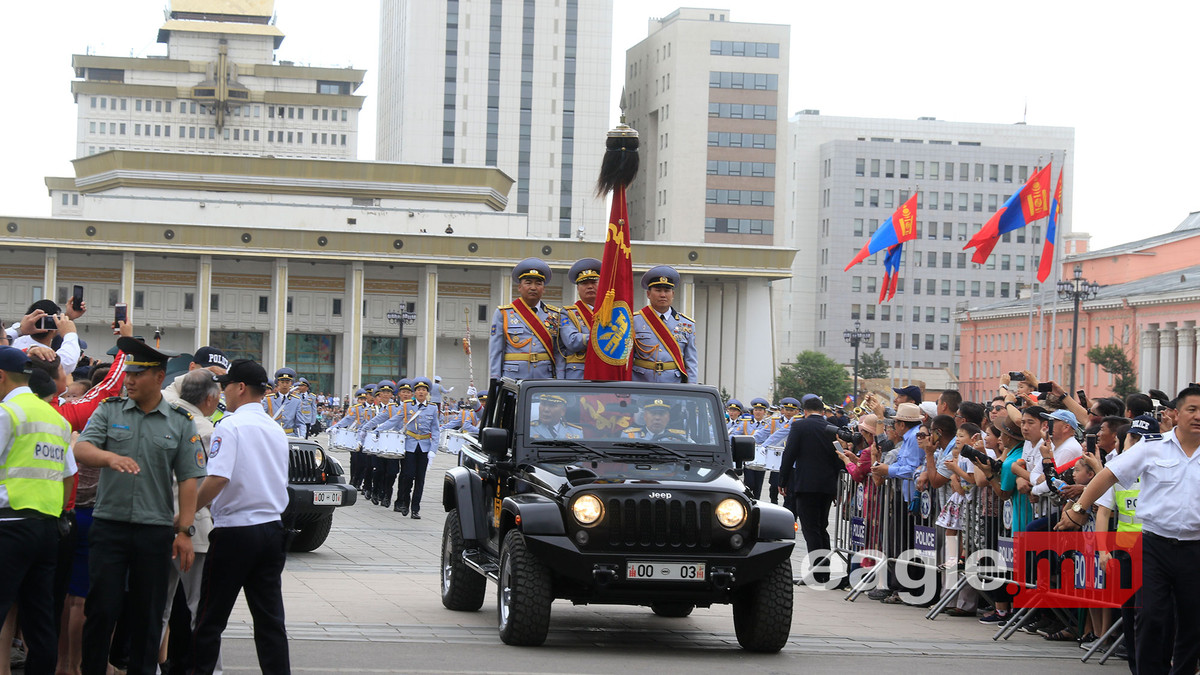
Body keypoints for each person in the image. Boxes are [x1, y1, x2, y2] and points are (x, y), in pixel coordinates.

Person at [73, 337, 206, 675]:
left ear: (159, 377)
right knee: (102, 609)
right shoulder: (110, 410)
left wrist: (184, 531)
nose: (129, 380)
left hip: (154, 531)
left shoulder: (179, 421)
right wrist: (109, 457)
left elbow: (190, 479)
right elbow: (82, 449)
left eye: (138, 374)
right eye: (128, 373)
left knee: (148, 614)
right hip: (109, 527)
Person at [1057, 385, 1200, 675]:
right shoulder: (1152, 447)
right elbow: (1108, 475)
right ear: (1175, 413)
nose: (1198, 416)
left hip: (1195, 549)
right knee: (1150, 616)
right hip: (1153, 546)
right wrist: (1078, 510)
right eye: (1192, 409)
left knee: (1192, 621)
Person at [190, 359, 289, 675]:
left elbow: (218, 479)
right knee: (270, 621)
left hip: (235, 532)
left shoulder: (229, 426)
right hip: (272, 529)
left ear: (241, 388)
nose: (223, 392)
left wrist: (187, 510)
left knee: (209, 619)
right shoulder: (275, 428)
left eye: (226, 386)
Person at [0, 346, 75, 675]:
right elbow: (69, 475)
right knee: (40, 620)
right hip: (46, 529)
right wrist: (57, 511)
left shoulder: (8, 412)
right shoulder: (55, 418)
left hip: (8, 524)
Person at [158, 369, 221, 674]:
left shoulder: (167, 416)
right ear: (211, 398)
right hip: (193, 525)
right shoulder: (206, 429)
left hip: (160, 519)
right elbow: (213, 481)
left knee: (160, 607)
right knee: (198, 607)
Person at [777, 393, 842, 584]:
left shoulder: (799, 426)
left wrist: (783, 480)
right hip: (827, 485)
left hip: (806, 485)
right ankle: (825, 573)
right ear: (822, 411)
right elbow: (838, 457)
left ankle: (816, 573)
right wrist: (837, 488)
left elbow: (789, 454)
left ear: (804, 411)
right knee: (822, 528)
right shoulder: (832, 428)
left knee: (811, 529)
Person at [489, 258, 559, 381]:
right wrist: (495, 379)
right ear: (519, 287)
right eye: (528, 283)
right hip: (514, 378)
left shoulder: (554, 315)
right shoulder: (504, 313)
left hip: (544, 377)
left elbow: (559, 352)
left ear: (544, 288)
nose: (533, 287)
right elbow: (496, 351)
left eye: (538, 283)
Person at [381, 378, 440, 519]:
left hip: (424, 447)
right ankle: (405, 503)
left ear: (427, 393)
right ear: (415, 392)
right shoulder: (407, 406)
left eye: (424, 390)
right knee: (407, 476)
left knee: (420, 479)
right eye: (419, 390)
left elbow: (436, 430)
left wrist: (433, 449)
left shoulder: (432, 408)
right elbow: (394, 420)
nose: (421, 392)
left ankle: (415, 508)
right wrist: (379, 429)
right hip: (410, 446)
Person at [631, 266, 698, 384]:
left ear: (673, 294)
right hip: (641, 382)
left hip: (673, 385)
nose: (663, 295)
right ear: (648, 294)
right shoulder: (634, 321)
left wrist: (692, 389)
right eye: (658, 290)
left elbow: (691, 362)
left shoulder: (687, 324)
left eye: (666, 291)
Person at [359, 380, 401, 508]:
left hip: (394, 442)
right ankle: (374, 490)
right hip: (377, 440)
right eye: (383, 392)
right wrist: (364, 431)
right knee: (377, 468)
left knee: (392, 471)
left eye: (388, 392)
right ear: (379, 394)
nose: (386, 395)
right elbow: (373, 421)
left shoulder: (398, 407)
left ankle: (387, 494)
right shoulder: (375, 409)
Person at [557, 257, 601, 380]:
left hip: (603, 371)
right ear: (578, 288)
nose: (590, 287)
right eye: (584, 283)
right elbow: (572, 341)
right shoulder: (568, 313)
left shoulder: (610, 312)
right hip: (579, 374)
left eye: (594, 282)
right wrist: (603, 337)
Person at [754, 397, 802, 505]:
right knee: (775, 484)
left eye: (792, 410)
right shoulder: (776, 421)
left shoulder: (798, 421)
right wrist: (759, 443)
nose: (789, 412)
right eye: (787, 410)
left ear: (797, 411)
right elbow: (775, 434)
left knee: (790, 488)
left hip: (792, 459)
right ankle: (774, 502)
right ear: (783, 410)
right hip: (776, 457)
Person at [622, 400, 689, 441]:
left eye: (661, 414)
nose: (657, 418)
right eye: (653, 413)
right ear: (645, 416)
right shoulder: (630, 436)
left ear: (668, 417)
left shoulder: (680, 437)